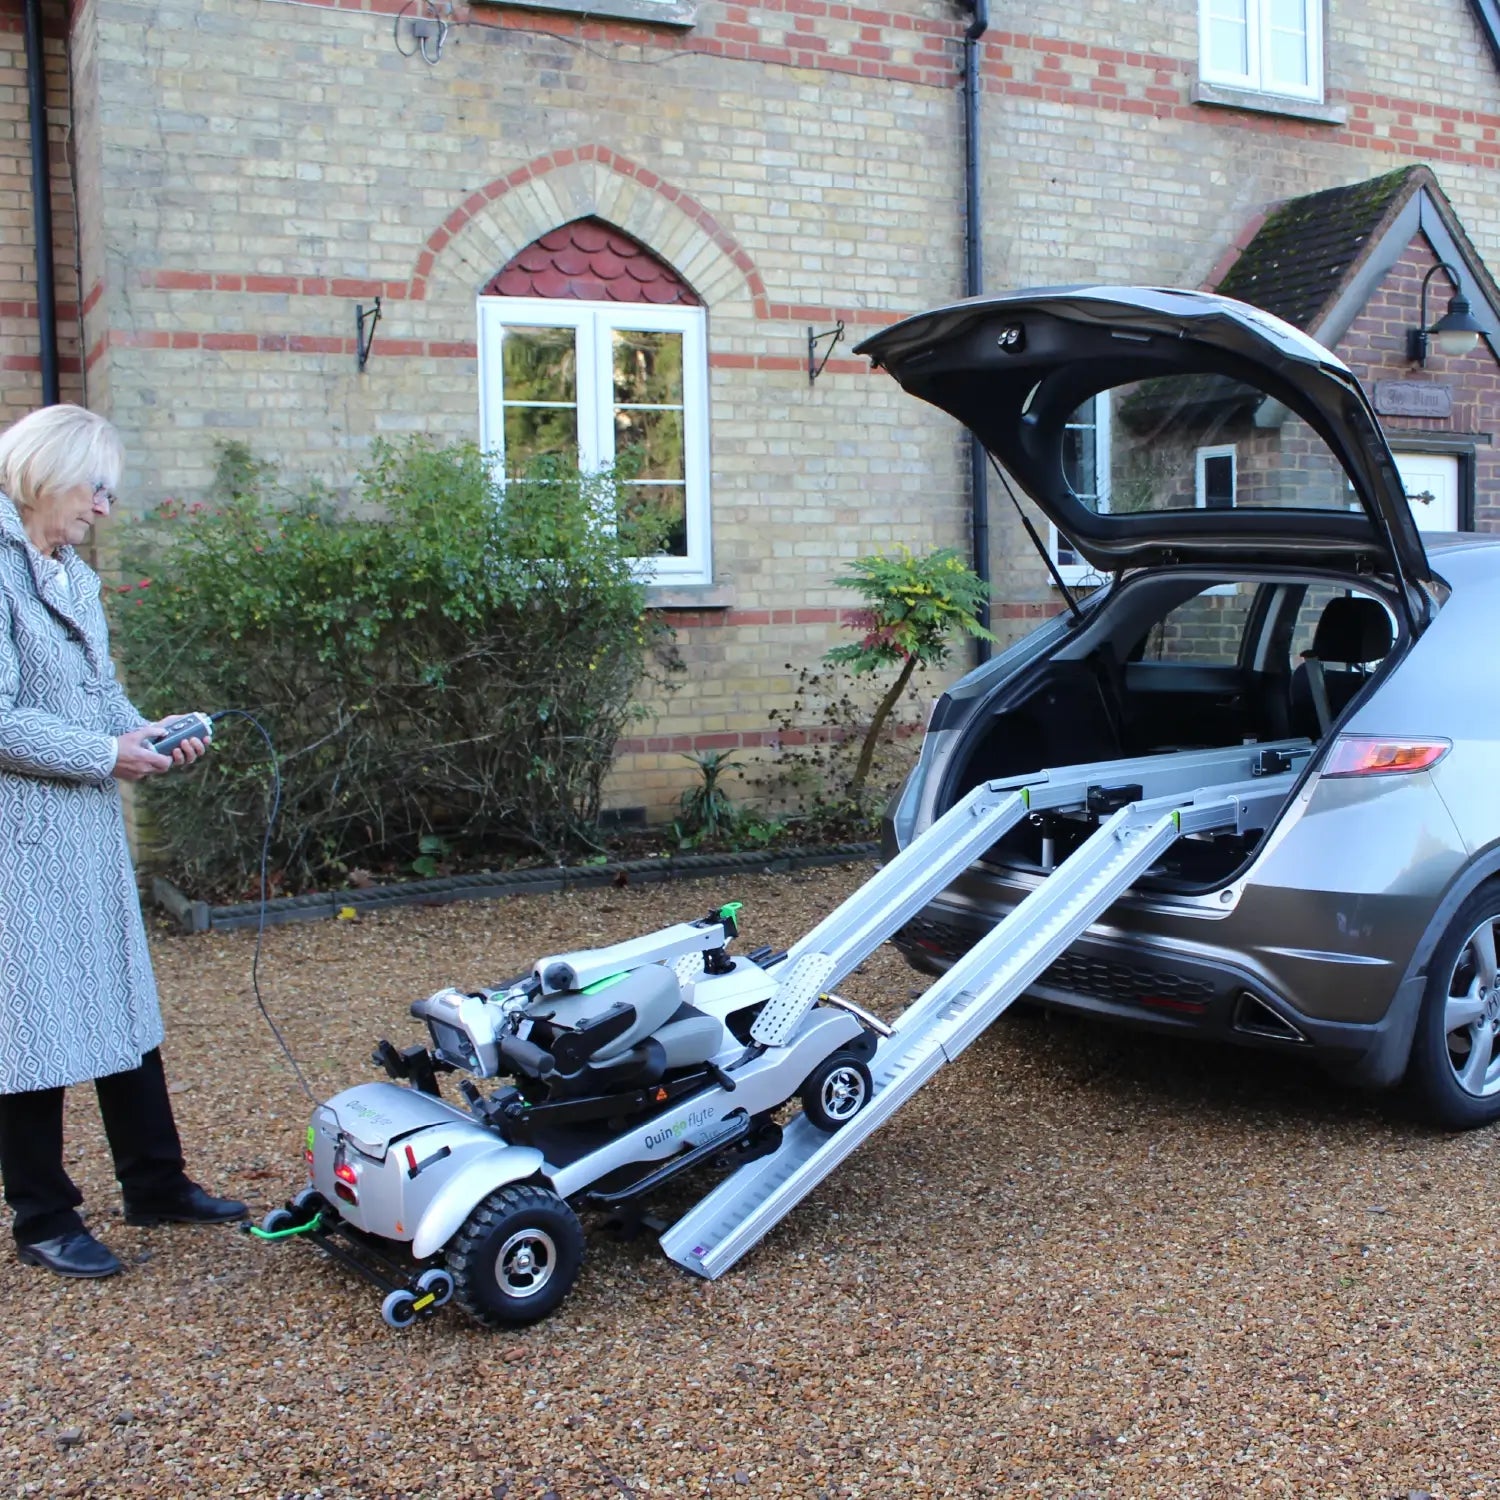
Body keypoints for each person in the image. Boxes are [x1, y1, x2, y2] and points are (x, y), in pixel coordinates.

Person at [0, 403, 246, 1279]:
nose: (104, 507)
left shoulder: (71, 575)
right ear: (47, 472)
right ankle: (42, 1218)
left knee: (122, 1004)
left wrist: (153, 730)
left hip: (85, 835)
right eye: (95, 488)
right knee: (30, 1025)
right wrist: (109, 753)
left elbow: (101, 700)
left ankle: (156, 1183)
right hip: (17, 843)